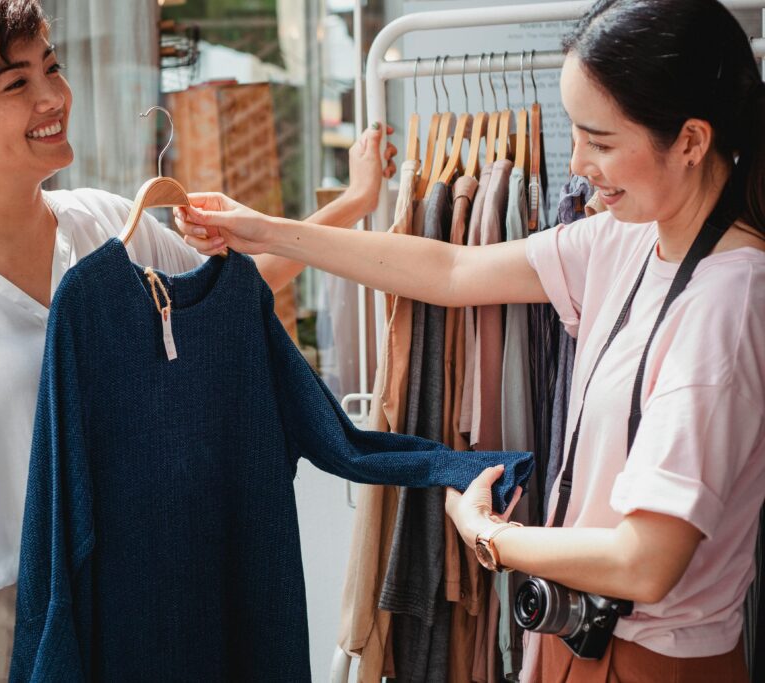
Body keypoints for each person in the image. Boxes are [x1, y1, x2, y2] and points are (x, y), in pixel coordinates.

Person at [0, 1, 398, 680]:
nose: (53, 96)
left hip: (118, 606)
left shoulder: (107, 229)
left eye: (51, 67)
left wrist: (353, 201)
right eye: (17, 84)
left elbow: (224, 302)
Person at [176, 0, 765, 680]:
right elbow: (452, 270)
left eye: (600, 142)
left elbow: (646, 560)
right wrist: (268, 231)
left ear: (691, 141)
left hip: (654, 663)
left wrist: (492, 537)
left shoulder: (727, 302)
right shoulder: (630, 238)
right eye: (575, 134)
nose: (577, 165)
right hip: (577, 641)